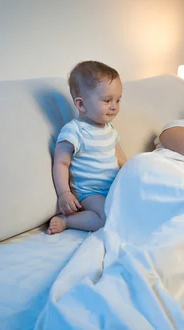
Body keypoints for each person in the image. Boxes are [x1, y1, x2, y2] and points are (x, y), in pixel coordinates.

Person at [47, 61, 127, 235]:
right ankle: (67, 221)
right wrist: (64, 193)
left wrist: (132, 175)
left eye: (118, 100)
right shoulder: (74, 131)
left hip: (113, 187)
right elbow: (61, 163)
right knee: (107, 218)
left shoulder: (110, 130)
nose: (114, 106)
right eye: (107, 100)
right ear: (81, 104)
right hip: (90, 192)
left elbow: (121, 159)